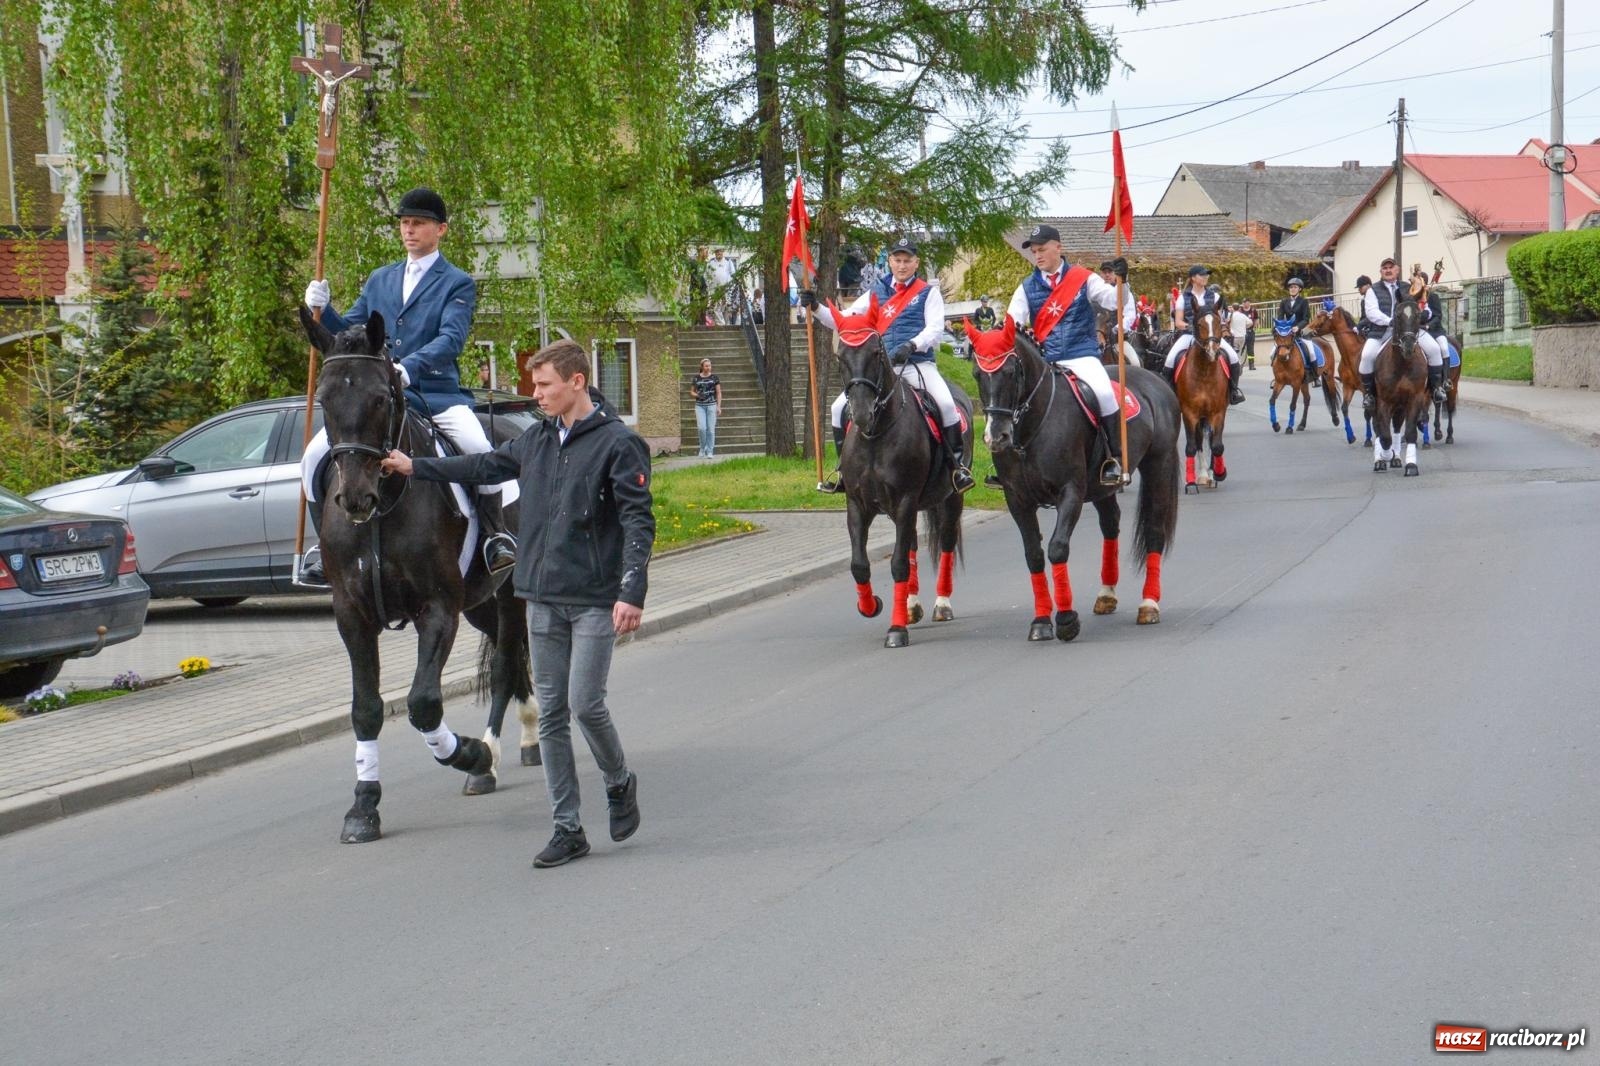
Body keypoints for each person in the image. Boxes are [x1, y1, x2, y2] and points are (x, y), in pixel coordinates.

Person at [380, 339, 652, 869]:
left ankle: (619, 782)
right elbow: (481, 467)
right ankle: (567, 827)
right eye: (535, 385)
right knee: (551, 713)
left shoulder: (619, 444)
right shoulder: (537, 441)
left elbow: (639, 521)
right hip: (541, 596)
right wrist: (417, 468)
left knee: (585, 704)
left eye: (545, 385)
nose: (536, 394)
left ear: (577, 382)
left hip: (595, 598)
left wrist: (630, 592)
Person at [298, 186, 516, 589]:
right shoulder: (381, 278)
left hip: (432, 394)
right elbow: (351, 334)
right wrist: (324, 310)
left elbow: (451, 339)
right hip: (379, 399)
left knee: (479, 449)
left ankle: (494, 535)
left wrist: (409, 368)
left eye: (417, 223)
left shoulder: (457, 283)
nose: (409, 230)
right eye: (404, 223)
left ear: (441, 229)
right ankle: (321, 548)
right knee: (311, 459)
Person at [802, 236, 975, 494]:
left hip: (918, 365)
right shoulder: (876, 292)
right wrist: (815, 307)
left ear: (916, 263)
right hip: (882, 370)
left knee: (947, 405)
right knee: (838, 407)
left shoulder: (928, 293)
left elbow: (936, 329)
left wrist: (913, 345)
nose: (902, 265)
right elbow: (843, 321)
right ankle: (843, 471)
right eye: (897, 260)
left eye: (907, 261)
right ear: (890, 261)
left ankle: (956, 468)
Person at [1004, 224, 1130, 487]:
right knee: (1010, 400)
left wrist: (1123, 282)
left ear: (1058, 248)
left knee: (1105, 394)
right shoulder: (1026, 287)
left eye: (1042, 250)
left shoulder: (1084, 278)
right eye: (1034, 251)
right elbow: (1011, 323)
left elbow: (1115, 302)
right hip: (1046, 359)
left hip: (1081, 355)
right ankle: (1010, 465)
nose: (1037, 256)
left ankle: (1113, 458)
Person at [1358, 257, 1445, 410]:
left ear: (1397, 270)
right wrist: (1390, 321)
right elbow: (1371, 312)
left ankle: (1436, 388)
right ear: (1381, 271)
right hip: (1382, 331)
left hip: (1409, 330)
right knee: (1366, 356)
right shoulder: (1373, 290)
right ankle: (1369, 395)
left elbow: (1424, 306)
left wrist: (1423, 315)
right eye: (1385, 268)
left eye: (1391, 268)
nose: (1388, 270)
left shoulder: (1410, 287)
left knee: (1435, 349)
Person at [1160, 265, 1245, 405]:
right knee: (1170, 359)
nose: (1206, 277)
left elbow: (1218, 319)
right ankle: (1169, 393)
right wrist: (1192, 327)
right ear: (1193, 278)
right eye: (1202, 275)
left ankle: (1233, 391)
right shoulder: (1183, 297)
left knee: (1234, 357)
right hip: (1189, 335)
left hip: (1212, 336)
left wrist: (1216, 329)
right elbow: (1178, 322)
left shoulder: (1215, 296)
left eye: (1206, 275)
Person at [1276, 277, 1323, 387]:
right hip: (1286, 334)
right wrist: (1281, 328)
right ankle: (1277, 377)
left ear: (1299, 289)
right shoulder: (1284, 302)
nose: (1292, 289)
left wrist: (1298, 327)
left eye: (1295, 287)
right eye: (1291, 287)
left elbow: (1306, 318)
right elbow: (1280, 317)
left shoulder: (1303, 301)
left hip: (1299, 333)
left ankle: (1315, 377)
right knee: (1273, 352)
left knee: (1310, 351)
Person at [690, 358, 722, 457]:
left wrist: (719, 406)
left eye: (709, 366)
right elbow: (691, 392)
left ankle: (710, 451)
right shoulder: (696, 378)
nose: (708, 367)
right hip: (700, 406)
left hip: (712, 405)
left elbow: (719, 392)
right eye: (706, 366)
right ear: (702, 367)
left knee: (711, 429)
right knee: (702, 428)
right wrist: (697, 395)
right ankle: (702, 448)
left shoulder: (714, 378)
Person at [708, 248, 736, 324]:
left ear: (723, 252)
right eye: (717, 251)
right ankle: (720, 324)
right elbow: (707, 275)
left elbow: (733, 274)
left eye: (720, 251)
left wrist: (730, 286)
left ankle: (727, 324)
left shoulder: (728, 262)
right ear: (715, 253)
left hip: (726, 289)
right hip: (715, 289)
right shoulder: (711, 263)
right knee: (716, 308)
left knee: (726, 308)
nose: (718, 253)